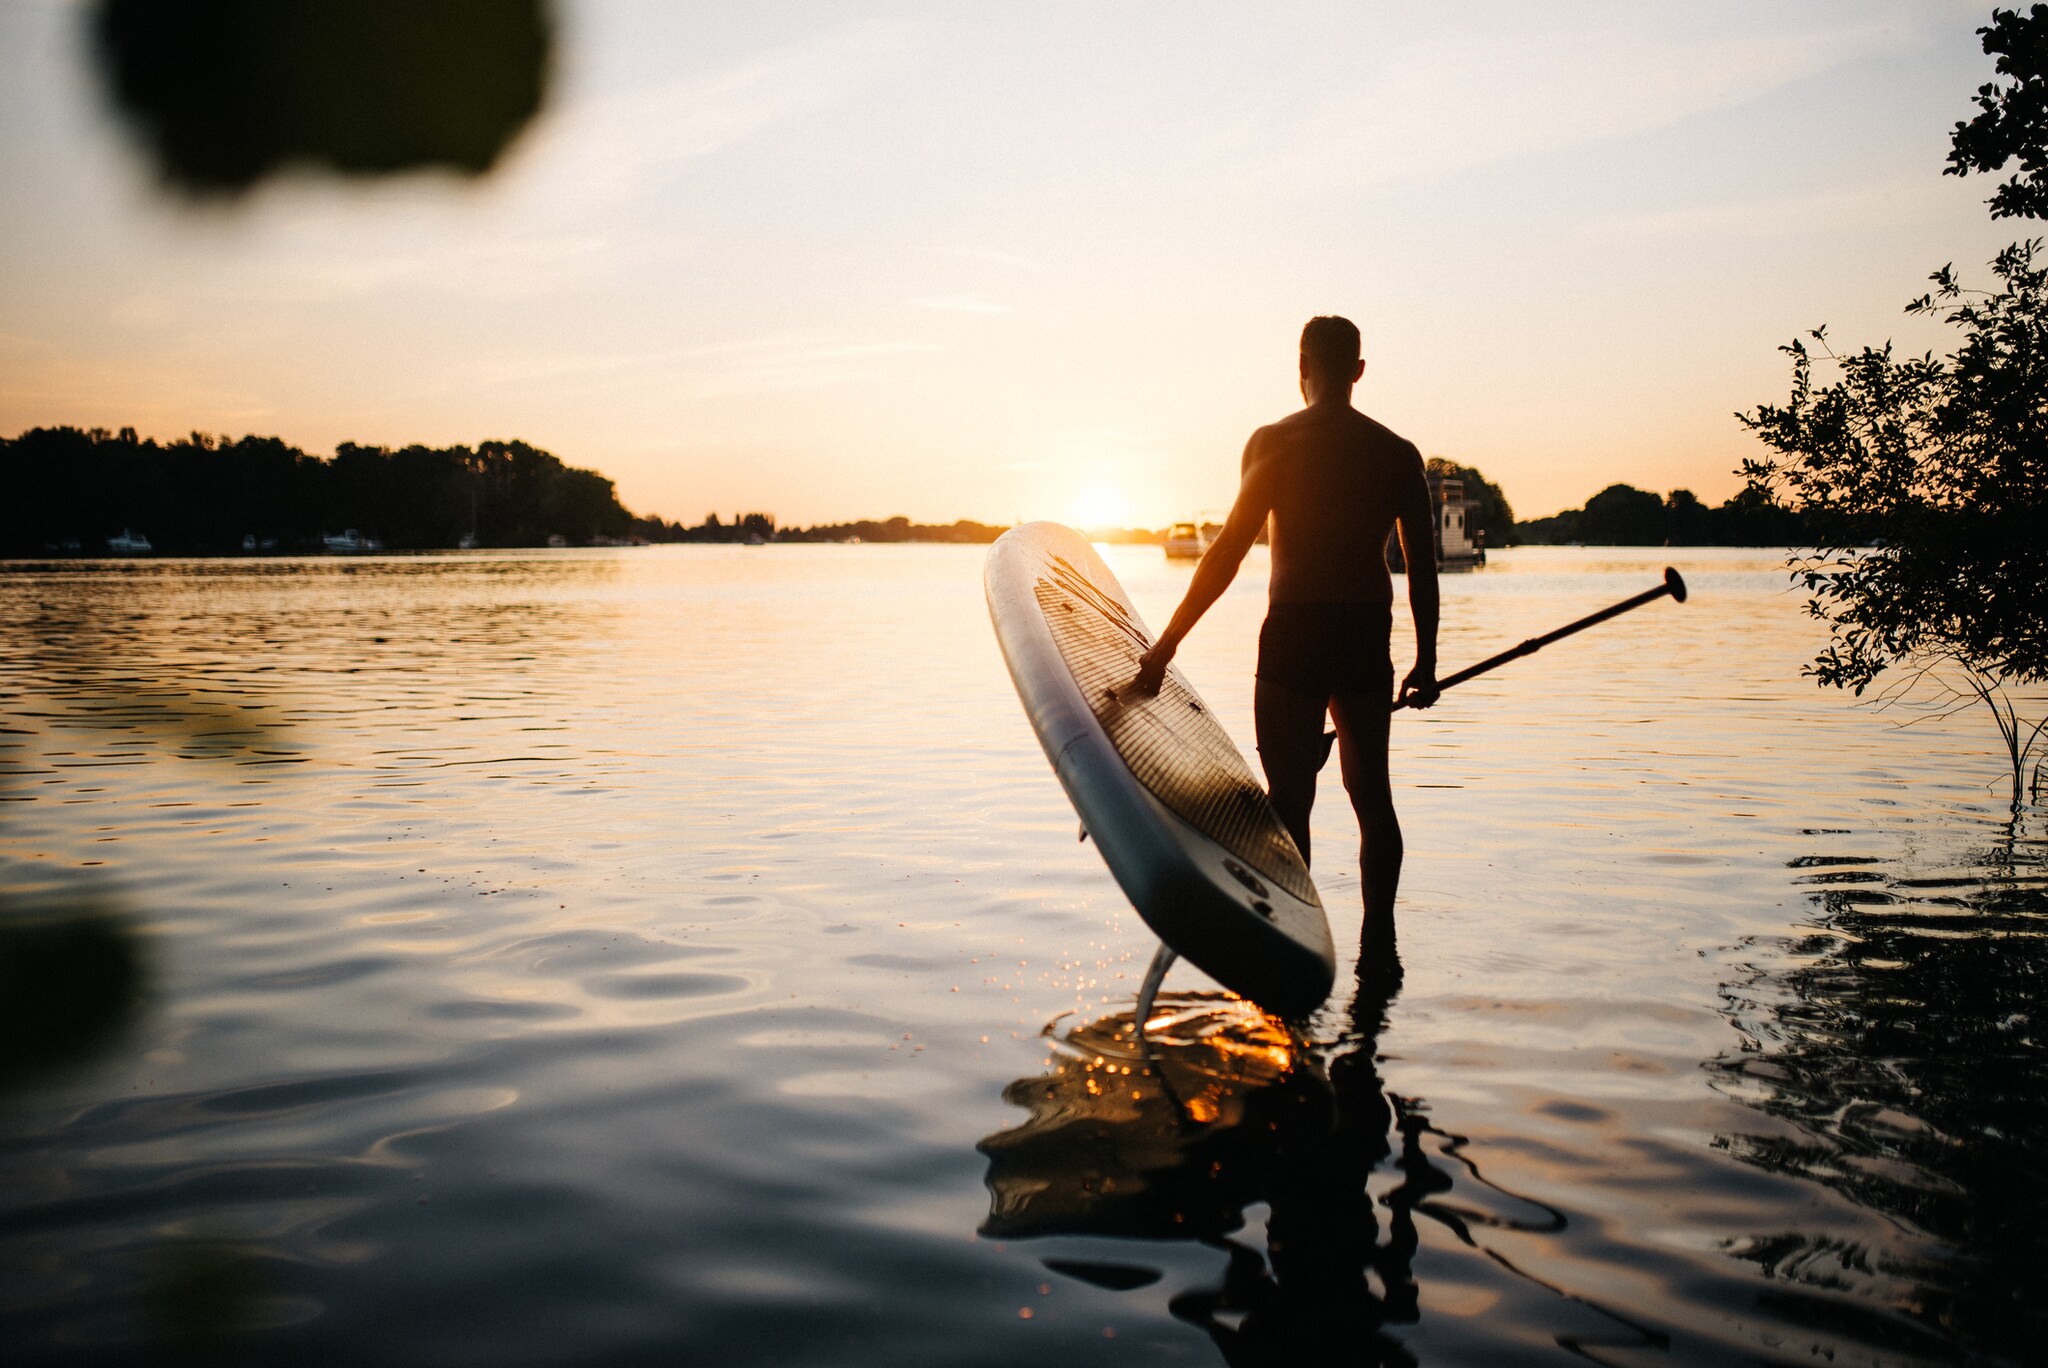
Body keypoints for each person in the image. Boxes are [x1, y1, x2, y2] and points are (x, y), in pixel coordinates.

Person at [1125, 315, 1438, 933]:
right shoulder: (1398, 454)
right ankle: (1380, 943)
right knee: (1372, 799)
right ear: (1358, 371)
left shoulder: (1272, 443)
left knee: (1290, 802)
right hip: (1364, 636)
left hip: (1294, 633)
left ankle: (1292, 935)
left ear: (1301, 367)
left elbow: (1226, 554)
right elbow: (1422, 570)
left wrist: (1165, 647)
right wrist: (1426, 661)